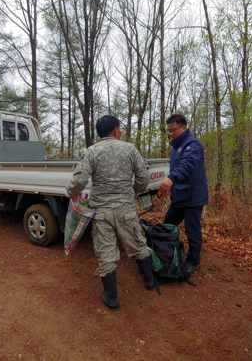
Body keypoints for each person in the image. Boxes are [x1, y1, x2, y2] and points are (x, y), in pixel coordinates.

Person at [65, 115, 154, 309]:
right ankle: (149, 281)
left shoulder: (92, 151)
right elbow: (144, 177)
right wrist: (135, 190)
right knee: (138, 243)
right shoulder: (129, 149)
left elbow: (80, 180)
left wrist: (70, 193)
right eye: (120, 128)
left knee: (105, 252)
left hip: (102, 212)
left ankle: (112, 297)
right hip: (125, 209)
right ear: (114, 130)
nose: (121, 131)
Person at [158, 114, 208, 275]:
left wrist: (171, 178)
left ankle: (193, 261)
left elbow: (188, 165)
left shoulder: (193, 145)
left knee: (192, 229)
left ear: (184, 127)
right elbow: (176, 170)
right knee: (169, 223)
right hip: (179, 196)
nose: (171, 133)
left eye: (174, 129)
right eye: (169, 131)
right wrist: (169, 186)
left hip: (193, 197)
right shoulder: (176, 148)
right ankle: (168, 251)